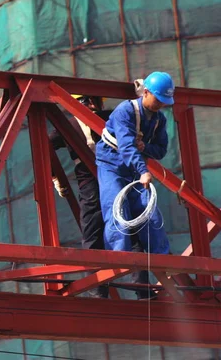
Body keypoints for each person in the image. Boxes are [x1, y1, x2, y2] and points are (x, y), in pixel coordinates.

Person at [95, 71, 174, 287]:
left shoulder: (159, 119)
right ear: (146, 92)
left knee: (151, 214)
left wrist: (146, 147)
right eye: (158, 100)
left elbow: (160, 149)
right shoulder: (125, 111)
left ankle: (162, 263)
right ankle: (119, 260)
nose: (161, 105)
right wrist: (142, 170)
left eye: (164, 101)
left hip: (134, 169)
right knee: (116, 210)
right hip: (112, 165)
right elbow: (126, 146)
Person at [49, 94, 112, 298]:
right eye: (85, 101)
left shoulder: (109, 118)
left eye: (95, 100)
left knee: (130, 225)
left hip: (115, 174)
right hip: (87, 176)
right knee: (93, 227)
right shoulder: (67, 126)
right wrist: (55, 177)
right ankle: (97, 286)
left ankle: (142, 286)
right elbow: (44, 146)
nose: (92, 105)